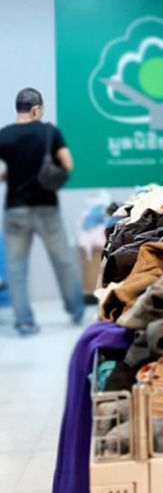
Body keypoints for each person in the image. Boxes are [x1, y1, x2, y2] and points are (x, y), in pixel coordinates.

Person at [0, 88, 84, 336]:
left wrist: (11, 175)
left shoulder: (4, 135)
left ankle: (24, 322)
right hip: (46, 207)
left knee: (16, 269)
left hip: (15, 209)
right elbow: (68, 164)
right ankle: (76, 310)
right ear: (36, 109)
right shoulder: (49, 132)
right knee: (63, 261)